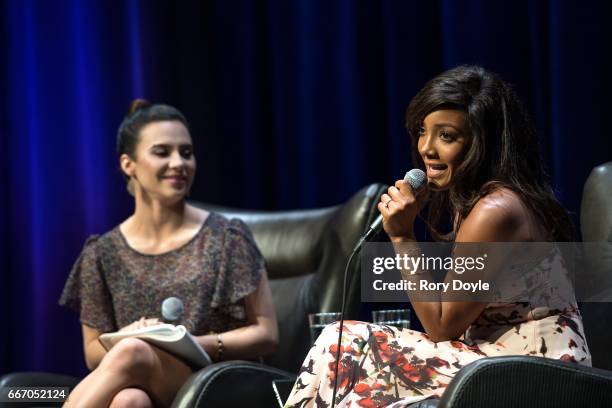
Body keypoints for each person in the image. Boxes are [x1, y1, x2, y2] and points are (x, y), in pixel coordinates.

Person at [284, 66, 590, 407]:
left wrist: (401, 237)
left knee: (342, 343)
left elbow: (443, 327)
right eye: (422, 131)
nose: (426, 148)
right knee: (350, 364)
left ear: (481, 144)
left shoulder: (496, 210)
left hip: (537, 369)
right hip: (493, 358)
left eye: (446, 136)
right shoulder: (482, 203)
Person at [59, 100, 278, 407]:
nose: (179, 163)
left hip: (218, 382)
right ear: (128, 164)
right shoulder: (101, 252)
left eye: (186, 153)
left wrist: (186, 343)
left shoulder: (228, 237)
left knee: (133, 352)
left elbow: (267, 334)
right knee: (128, 400)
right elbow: (93, 352)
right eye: (162, 152)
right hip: (145, 383)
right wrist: (127, 335)